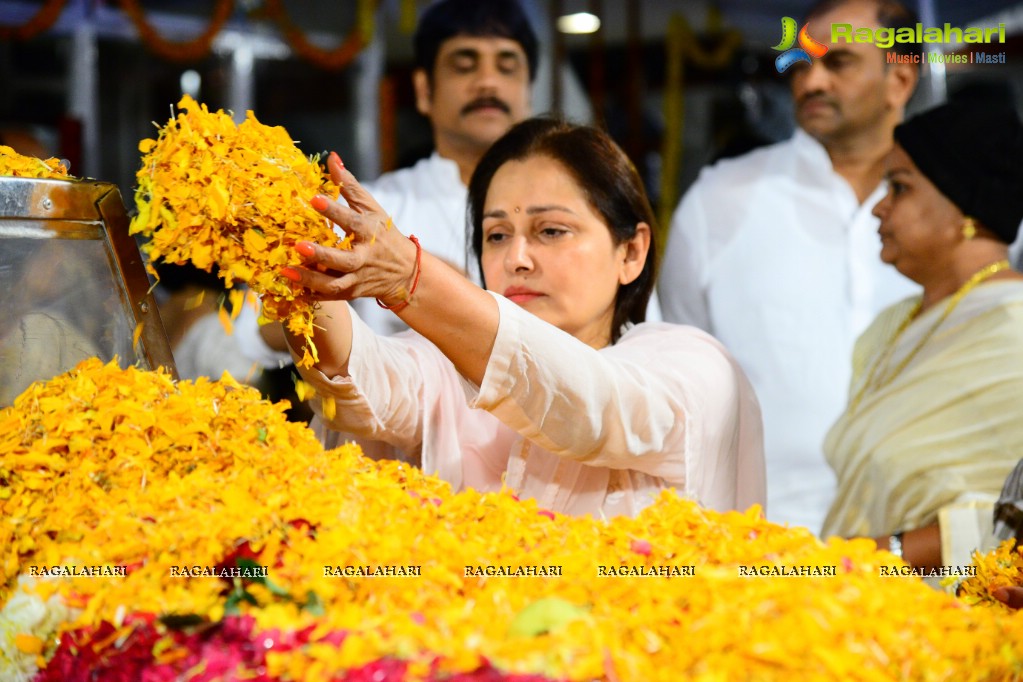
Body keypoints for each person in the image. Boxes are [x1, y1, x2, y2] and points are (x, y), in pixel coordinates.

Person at [276, 118, 765, 518]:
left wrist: (411, 277)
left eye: (551, 230)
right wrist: (291, 252)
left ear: (631, 252)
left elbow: (594, 405)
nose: (518, 259)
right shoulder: (447, 367)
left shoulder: (692, 366)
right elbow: (359, 382)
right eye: (496, 235)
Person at [656, 0, 921, 533]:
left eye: (837, 61)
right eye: (801, 64)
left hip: (929, 546)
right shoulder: (721, 199)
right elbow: (675, 374)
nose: (809, 82)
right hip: (763, 540)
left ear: (899, 78)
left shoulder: (957, 209)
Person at [235, 0, 538, 371]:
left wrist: (425, 281)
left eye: (507, 66)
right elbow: (249, 335)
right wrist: (308, 291)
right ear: (424, 90)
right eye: (464, 64)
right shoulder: (372, 209)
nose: (488, 81)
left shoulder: (564, 208)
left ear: (528, 90)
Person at [821, 102, 1023, 570]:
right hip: (853, 600)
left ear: (964, 206)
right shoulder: (892, 325)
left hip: (965, 617)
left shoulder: (1013, 330)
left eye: (900, 187)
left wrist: (882, 556)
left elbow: (1011, 522)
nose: (878, 206)